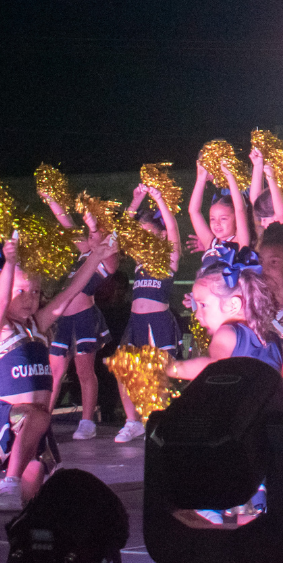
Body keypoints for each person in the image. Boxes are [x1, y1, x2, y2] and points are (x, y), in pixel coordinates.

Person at [0, 225, 113, 509]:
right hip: (12, 418)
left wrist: (95, 259)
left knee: (32, 494)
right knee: (38, 416)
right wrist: (10, 263)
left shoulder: (37, 326)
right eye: (21, 291)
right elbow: (1, 300)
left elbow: (71, 292)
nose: (30, 298)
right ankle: (9, 482)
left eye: (35, 292)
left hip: (34, 426)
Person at [166, 244, 283, 526]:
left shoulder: (228, 333)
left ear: (232, 305)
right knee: (253, 515)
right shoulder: (273, 342)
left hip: (234, 441)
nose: (197, 314)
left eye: (202, 305)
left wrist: (174, 367)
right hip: (265, 444)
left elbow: (212, 370)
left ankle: (209, 511)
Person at [42, 192, 120, 438]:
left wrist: (95, 226)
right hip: (63, 321)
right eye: (88, 233)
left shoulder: (108, 258)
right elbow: (67, 223)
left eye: (94, 233)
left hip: (85, 319)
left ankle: (87, 422)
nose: (88, 236)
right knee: (54, 373)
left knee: (84, 371)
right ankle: (42, 419)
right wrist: (50, 198)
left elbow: (101, 246)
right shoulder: (83, 254)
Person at [113, 181, 183, 444]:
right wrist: (136, 200)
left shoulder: (169, 259)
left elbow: (173, 228)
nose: (141, 240)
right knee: (124, 369)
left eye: (147, 234)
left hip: (159, 322)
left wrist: (158, 199)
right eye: (138, 236)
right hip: (136, 322)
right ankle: (133, 422)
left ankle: (159, 423)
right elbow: (121, 233)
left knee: (159, 374)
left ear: (161, 236)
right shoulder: (139, 261)